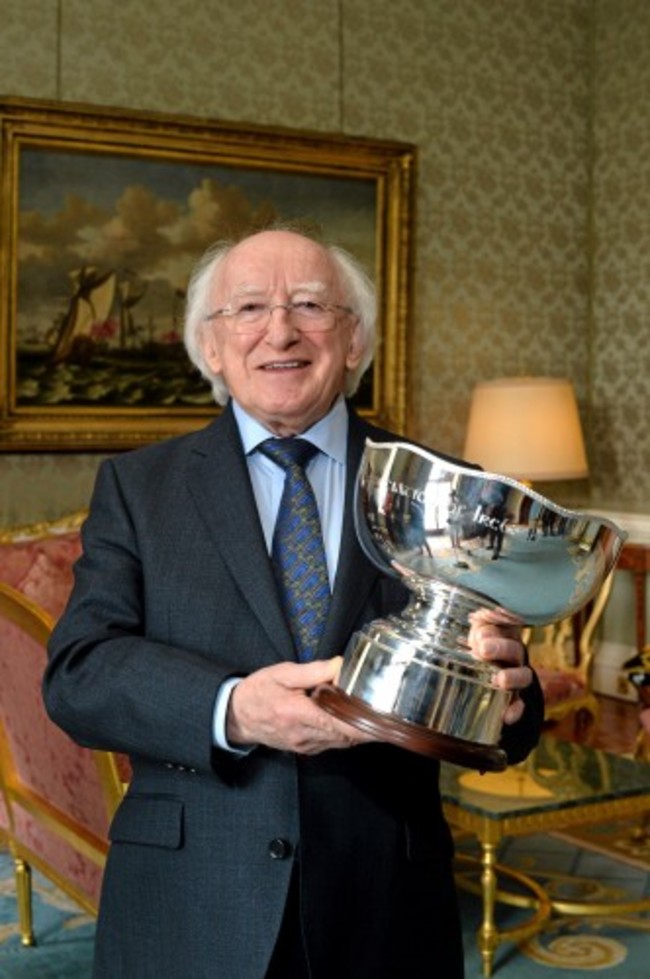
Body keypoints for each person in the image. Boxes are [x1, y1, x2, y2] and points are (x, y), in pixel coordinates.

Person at [43, 228, 544, 979]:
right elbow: (80, 674)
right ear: (209, 347)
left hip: (385, 905)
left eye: (309, 304)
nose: (280, 330)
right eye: (248, 307)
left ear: (354, 338)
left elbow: (500, 708)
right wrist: (235, 707)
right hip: (189, 903)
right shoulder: (139, 488)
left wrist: (513, 695)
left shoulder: (443, 490)